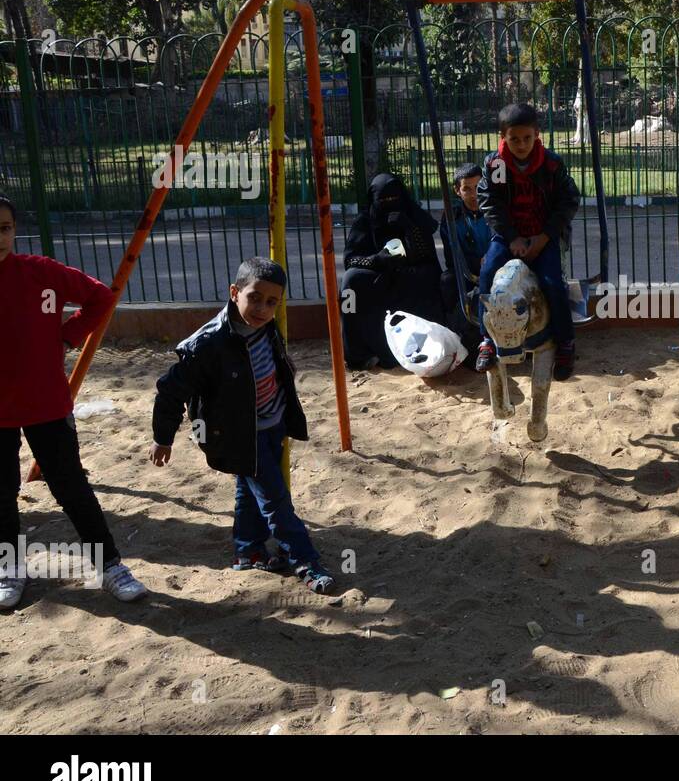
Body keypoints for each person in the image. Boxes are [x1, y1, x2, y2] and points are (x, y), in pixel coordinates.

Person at [150, 257, 336, 594]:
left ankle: (248, 550)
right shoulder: (208, 345)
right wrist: (163, 438)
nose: (263, 309)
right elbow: (170, 389)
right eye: (254, 297)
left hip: (273, 422)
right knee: (276, 500)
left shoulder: (267, 325)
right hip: (239, 435)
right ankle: (306, 561)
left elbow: (271, 361)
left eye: (272, 302)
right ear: (234, 292)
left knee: (249, 491)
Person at [0, 195, 148, 609]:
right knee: (1, 492)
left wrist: (66, 335)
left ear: (15, 230)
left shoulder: (39, 272)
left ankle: (111, 566)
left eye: (5, 228)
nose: (0, 237)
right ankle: (10, 567)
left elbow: (100, 297)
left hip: (46, 403)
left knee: (71, 488)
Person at [475, 103, 581, 379]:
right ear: (503, 138)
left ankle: (565, 342)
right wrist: (512, 238)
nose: (521, 145)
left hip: (543, 235)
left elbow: (567, 202)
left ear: (537, 135)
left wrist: (544, 236)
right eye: (514, 139)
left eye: (526, 138)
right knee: (487, 275)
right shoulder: (497, 165)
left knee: (552, 284)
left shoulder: (550, 164)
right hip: (508, 236)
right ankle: (486, 339)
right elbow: (491, 202)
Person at [341, 173, 444, 370]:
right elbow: (350, 260)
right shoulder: (365, 222)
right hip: (377, 273)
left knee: (429, 276)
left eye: (394, 199)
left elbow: (427, 255)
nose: (389, 203)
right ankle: (357, 354)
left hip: (411, 274)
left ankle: (425, 347)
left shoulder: (413, 215)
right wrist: (376, 260)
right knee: (350, 282)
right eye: (383, 200)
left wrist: (408, 226)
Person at [440, 163, 492, 320]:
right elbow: (452, 257)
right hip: (468, 272)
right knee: (447, 280)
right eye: (466, 189)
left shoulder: (496, 211)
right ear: (457, 191)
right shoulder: (451, 217)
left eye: (478, 187)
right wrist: (477, 263)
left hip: (498, 268)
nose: (474, 194)